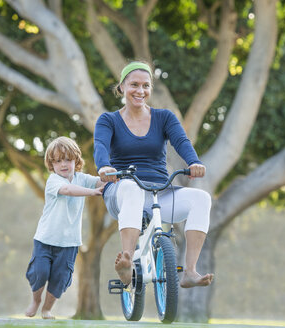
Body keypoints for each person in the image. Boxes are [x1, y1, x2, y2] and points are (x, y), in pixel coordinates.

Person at [94, 61, 214, 288]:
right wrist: (104, 167)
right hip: (121, 189)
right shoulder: (108, 120)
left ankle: (189, 271)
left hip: (159, 191)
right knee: (130, 187)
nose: (140, 91)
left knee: (202, 198)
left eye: (146, 86)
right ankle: (127, 261)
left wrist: (194, 162)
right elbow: (100, 146)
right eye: (134, 85)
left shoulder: (164, 117)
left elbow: (181, 141)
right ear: (121, 87)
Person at [25, 136, 105, 319]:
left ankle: (46, 308)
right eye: (58, 160)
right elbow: (68, 190)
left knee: (60, 279)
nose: (63, 164)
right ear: (51, 164)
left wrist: (110, 179)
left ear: (76, 160)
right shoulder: (54, 181)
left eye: (68, 159)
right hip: (45, 239)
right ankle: (36, 301)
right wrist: (92, 192)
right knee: (40, 272)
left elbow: (100, 182)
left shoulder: (82, 179)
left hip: (69, 242)